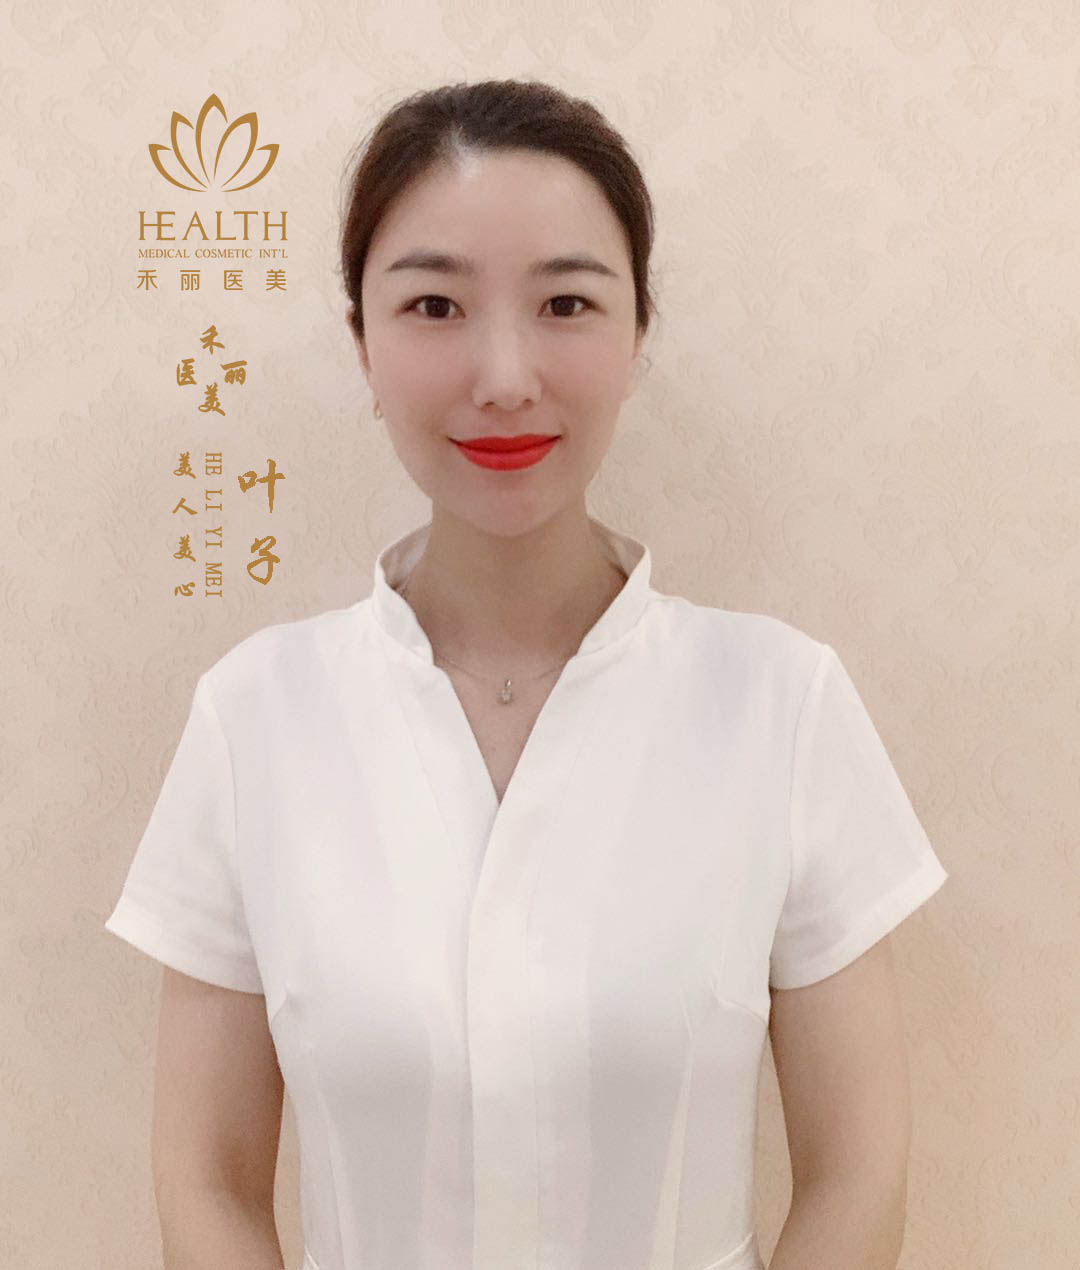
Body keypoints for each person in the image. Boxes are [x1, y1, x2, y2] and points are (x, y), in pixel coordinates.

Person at [104, 78, 949, 1270]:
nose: (503, 374)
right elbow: (208, 1179)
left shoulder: (781, 701)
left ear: (636, 330)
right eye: (434, 304)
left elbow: (859, 1172)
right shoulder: (254, 717)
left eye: (565, 302)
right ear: (362, 341)